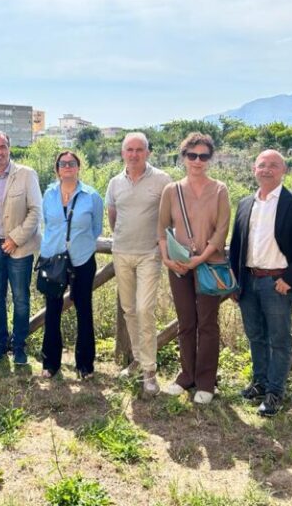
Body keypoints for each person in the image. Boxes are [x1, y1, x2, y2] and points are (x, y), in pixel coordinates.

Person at [229, 149, 292, 416]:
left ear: (284, 171)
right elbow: (236, 245)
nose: (267, 169)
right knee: (255, 336)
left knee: (279, 340)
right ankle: (258, 384)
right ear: (253, 170)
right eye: (262, 165)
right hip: (248, 280)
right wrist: (235, 280)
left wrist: (290, 279)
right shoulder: (246, 203)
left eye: (273, 165)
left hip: (277, 283)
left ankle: (274, 392)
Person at [157, 134, 229, 404]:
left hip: (209, 264)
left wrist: (200, 259)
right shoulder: (171, 190)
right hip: (178, 265)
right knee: (186, 322)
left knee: (208, 324)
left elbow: (222, 231)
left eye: (203, 156)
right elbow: (162, 229)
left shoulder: (220, 190)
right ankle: (186, 375)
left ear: (210, 159)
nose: (197, 161)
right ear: (183, 157)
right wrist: (166, 258)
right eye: (192, 155)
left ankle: (206, 381)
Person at [106, 132, 171, 395]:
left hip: (149, 254)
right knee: (129, 310)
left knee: (145, 309)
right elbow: (112, 215)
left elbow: (170, 216)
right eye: (129, 150)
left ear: (148, 152)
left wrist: (161, 242)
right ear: (122, 153)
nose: (134, 154)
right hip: (121, 252)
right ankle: (137, 361)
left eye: (139, 149)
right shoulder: (114, 183)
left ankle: (150, 372)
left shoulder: (162, 180)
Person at [0, 130, 42, 365]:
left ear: (9, 148)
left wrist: (15, 239)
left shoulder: (26, 174)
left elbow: (36, 211)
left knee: (21, 299)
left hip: (19, 248)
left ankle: (19, 346)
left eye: (2, 147)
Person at [39, 151, 103, 379]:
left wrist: (77, 244)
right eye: (63, 163)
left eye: (72, 163)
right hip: (53, 259)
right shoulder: (48, 194)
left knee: (84, 310)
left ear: (78, 167)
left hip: (82, 258)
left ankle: (85, 365)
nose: (67, 167)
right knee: (52, 310)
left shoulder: (92, 196)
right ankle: (50, 364)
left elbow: (97, 228)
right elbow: (46, 223)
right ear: (57, 168)